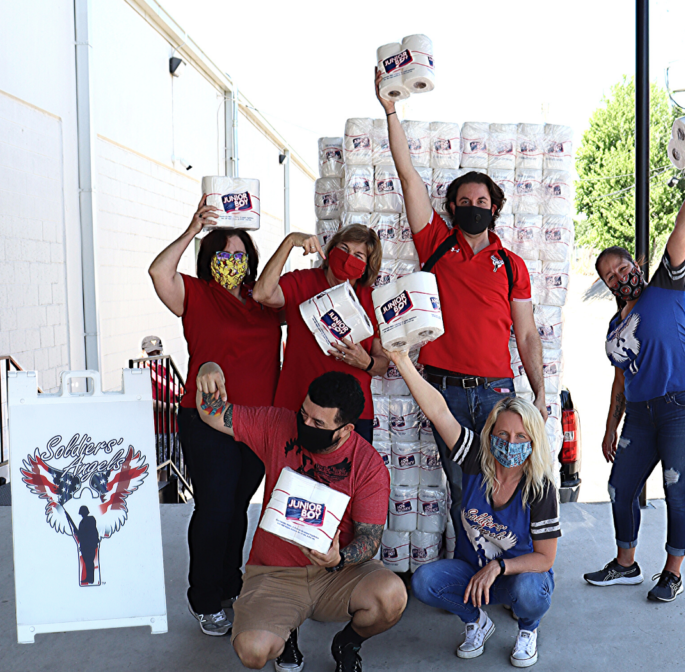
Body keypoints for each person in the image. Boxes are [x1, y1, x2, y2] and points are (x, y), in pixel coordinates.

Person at [375, 70, 546, 542]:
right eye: (465, 200)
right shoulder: (433, 242)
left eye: (483, 200)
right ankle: (469, 564)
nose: (474, 206)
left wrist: (541, 392)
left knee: (509, 485)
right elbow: (407, 173)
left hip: (496, 393)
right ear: (451, 207)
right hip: (444, 392)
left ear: (496, 208)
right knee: (458, 485)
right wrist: (390, 108)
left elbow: (527, 335)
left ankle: (513, 563)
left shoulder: (512, 266)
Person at [195, 365, 406, 672]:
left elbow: (370, 539)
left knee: (392, 596)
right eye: (303, 414)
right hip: (275, 574)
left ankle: (348, 642)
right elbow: (213, 414)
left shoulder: (368, 465)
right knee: (252, 652)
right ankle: (285, 633)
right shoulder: (277, 424)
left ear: (346, 428)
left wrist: (339, 558)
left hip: (335, 575)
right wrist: (207, 371)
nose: (305, 423)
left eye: (317, 422)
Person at [582, 156, 685, 603]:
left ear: (636, 265)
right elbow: (622, 379)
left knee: (676, 489)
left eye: (623, 268)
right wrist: (608, 427)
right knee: (620, 486)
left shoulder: (665, 286)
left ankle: (673, 573)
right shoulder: (613, 327)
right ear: (606, 285)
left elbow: (680, 233)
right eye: (610, 276)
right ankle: (626, 564)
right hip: (639, 415)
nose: (620, 276)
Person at [148, 196, 281, 635]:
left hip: (258, 423)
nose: (233, 262)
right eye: (224, 254)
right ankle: (204, 599)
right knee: (215, 508)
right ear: (209, 258)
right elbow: (158, 272)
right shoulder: (196, 294)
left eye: (241, 255)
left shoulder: (264, 301)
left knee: (237, 506)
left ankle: (230, 582)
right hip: (207, 420)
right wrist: (191, 230)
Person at [383, 348, 559, 668]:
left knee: (532, 591)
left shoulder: (539, 487)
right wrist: (402, 360)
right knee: (424, 581)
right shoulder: (478, 460)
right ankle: (477, 621)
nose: (511, 443)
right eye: (502, 434)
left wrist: (499, 568)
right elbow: (439, 411)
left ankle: (528, 629)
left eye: (522, 436)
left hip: (518, 576)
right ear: (490, 435)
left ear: (534, 441)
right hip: (474, 572)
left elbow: (546, 558)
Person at [253, 224, 389, 442]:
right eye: (343, 249)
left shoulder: (372, 300)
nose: (347, 258)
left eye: (358, 255)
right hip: (296, 407)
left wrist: (366, 362)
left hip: (350, 417)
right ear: (331, 249)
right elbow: (261, 293)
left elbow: (383, 364)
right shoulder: (302, 281)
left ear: (367, 265)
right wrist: (289, 241)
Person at [140, 335, 181, 467]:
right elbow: (149, 402)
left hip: (173, 426)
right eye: (151, 353)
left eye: (157, 352)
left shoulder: (163, 370)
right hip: (159, 428)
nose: (156, 355)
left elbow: (173, 390)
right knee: (160, 468)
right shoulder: (142, 372)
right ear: (143, 353)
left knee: (174, 467)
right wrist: (173, 408)